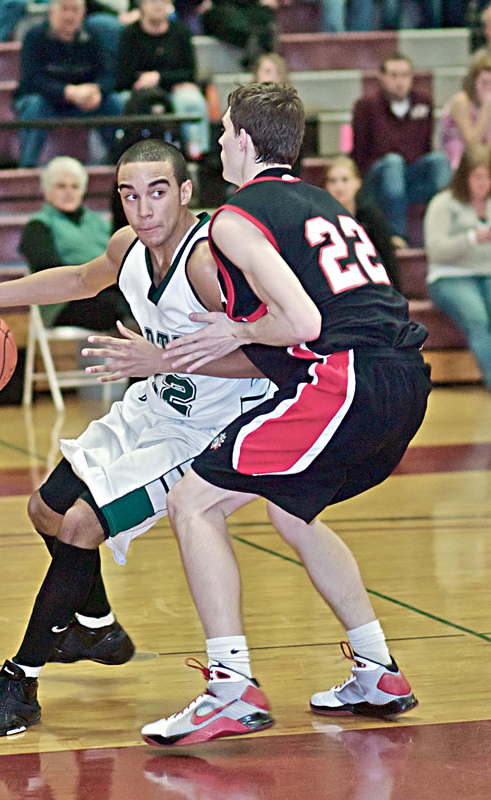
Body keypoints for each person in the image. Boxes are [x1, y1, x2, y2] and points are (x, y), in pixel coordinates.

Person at [0, 139, 273, 739]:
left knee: (82, 526)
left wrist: (158, 358)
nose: (144, 209)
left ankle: (20, 682)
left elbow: (271, 360)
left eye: (158, 192)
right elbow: (81, 279)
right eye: (130, 195)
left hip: (206, 431)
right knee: (44, 509)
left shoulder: (212, 265)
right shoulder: (126, 246)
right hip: (151, 408)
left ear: (186, 193)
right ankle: (96, 625)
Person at [140, 82, 432, 747]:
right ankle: (378, 670)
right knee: (289, 510)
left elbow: (300, 320)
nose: (216, 145)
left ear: (243, 140)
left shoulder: (235, 219)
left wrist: (237, 331)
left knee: (193, 504)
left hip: (348, 377)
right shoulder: (323, 201)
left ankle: (229, 689)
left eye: (221, 134)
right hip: (404, 379)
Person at [18, 155, 130, 329]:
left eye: (75, 186)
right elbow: (48, 269)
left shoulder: (101, 223)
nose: (69, 192)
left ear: (83, 190)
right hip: (63, 302)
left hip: (108, 290)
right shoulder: (38, 226)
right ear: (47, 191)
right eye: (61, 186)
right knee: (116, 306)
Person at [351, 52, 451, 242]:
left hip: (408, 176)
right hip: (378, 179)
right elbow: (360, 154)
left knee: (439, 160)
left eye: (405, 75)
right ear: (381, 77)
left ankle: (446, 224)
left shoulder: (423, 103)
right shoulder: (366, 106)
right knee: (393, 163)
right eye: (393, 75)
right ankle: (396, 235)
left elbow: (425, 148)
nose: (400, 81)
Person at [14, 0, 122, 167]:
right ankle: (27, 167)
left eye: (75, 10)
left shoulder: (94, 36)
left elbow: (109, 75)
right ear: (51, 12)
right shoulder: (34, 36)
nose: (69, 16)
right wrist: (67, 92)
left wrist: (96, 90)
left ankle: (121, 162)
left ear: (83, 13)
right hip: (48, 102)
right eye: (64, 9)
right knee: (34, 105)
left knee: (114, 102)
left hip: (85, 102)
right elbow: (32, 80)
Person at [424, 144, 491, 389]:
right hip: (449, 276)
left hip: (487, 273)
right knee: (477, 318)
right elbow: (436, 250)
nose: (484, 183)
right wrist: (472, 238)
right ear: (465, 176)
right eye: (478, 177)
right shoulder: (443, 204)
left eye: (488, 177)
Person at [115, 0, 210, 160]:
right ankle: (124, 154)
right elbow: (123, 77)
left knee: (191, 100)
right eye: (152, 1)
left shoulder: (181, 32)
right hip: (138, 92)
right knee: (120, 101)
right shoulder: (129, 34)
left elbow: (189, 73)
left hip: (174, 90)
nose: (157, 5)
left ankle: (198, 155)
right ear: (141, 5)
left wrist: (159, 78)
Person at [324, 155, 401, 291]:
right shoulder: (319, 221)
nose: (339, 186)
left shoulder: (373, 218)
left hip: (373, 292)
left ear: (357, 182)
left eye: (345, 180)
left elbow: (388, 263)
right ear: (326, 186)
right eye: (333, 181)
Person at [441, 54, 491, 172]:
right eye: (484, 83)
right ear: (474, 82)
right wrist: (486, 109)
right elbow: (472, 143)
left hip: (480, 161)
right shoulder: (461, 101)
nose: (489, 89)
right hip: (456, 161)